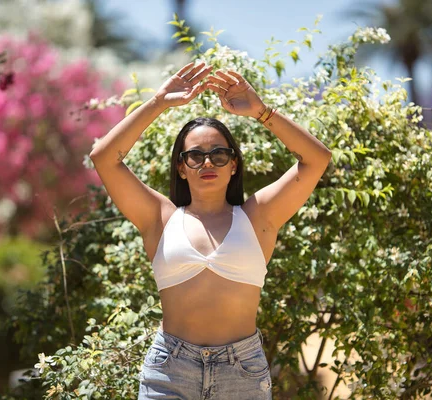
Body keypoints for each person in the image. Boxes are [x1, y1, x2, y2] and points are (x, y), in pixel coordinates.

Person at [89, 61, 332, 399]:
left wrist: (261, 111)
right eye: (195, 156)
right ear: (181, 167)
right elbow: (104, 157)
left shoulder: (258, 217)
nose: (207, 163)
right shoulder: (159, 218)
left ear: (234, 166)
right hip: (170, 372)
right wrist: (159, 102)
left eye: (219, 155)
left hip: (242, 373)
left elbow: (317, 159)